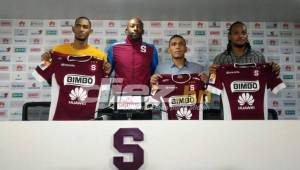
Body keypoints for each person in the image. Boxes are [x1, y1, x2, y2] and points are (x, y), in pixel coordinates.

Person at [209, 21, 281, 118]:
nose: (240, 36)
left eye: (243, 33)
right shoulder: (220, 59)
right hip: (229, 116)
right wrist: (211, 75)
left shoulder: (258, 57)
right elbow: (213, 87)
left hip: (256, 115)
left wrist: (274, 71)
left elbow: (265, 84)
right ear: (229, 36)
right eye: (236, 33)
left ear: (247, 35)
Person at [107, 17, 158, 120]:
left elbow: (154, 73)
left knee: (146, 132)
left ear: (143, 31)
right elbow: (107, 72)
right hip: (120, 99)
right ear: (126, 30)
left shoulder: (151, 49)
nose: (135, 28)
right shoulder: (114, 48)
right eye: (132, 26)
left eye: (138, 26)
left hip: (144, 99)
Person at [150, 35, 209, 120]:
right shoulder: (160, 68)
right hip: (168, 116)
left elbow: (206, 94)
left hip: (193, 115)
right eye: (174, 44)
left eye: (181, 44)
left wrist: (207, 83)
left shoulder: (198, 68)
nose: (177, 47)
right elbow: (154, 94)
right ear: (169, 50)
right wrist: (152, 83)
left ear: (186, 48)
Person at [41, 16, 110, 72]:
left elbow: (104, 79)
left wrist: (107, 71)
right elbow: (46, 73)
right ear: (73, 29)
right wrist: (45, 61)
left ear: (90, 31)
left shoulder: (100, 55)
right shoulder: (57, 50)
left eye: (85, 27)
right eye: (78, 26)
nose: (81, 29)